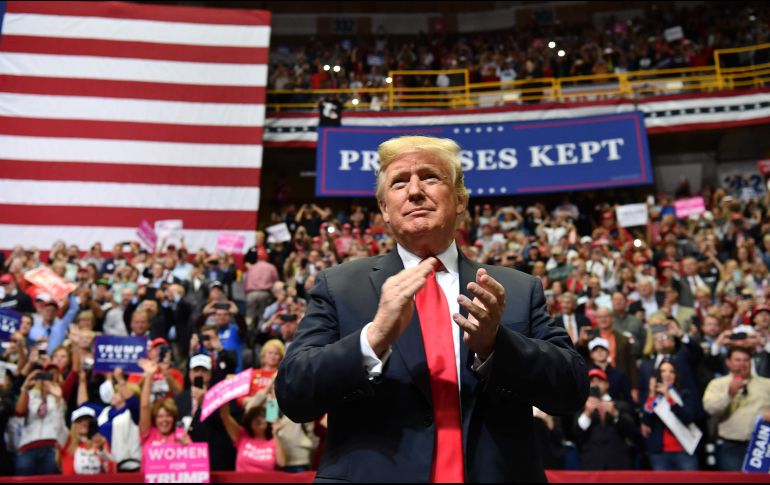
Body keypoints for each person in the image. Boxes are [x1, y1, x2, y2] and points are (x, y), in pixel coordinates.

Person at [276, 135, 588, 482]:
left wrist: (496, 346)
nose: (414, 191)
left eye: (429, 177)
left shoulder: (516, 288)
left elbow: (571, 391)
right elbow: (293, 395)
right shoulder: (339, 286)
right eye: (399, 182)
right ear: (384, 208)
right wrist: (373, 338)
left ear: (459, 200)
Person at [703, 346, 770, 471]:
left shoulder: (766, 384)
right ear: (728, 362)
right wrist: (729, 394)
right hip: (730, 446)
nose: (742, 364)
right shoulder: (718, 384)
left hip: (762, 445)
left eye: (746, 360)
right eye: (737, 360)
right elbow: (709, 408)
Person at [641, 360, 701, 470]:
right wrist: (651, 394)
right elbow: (646, 421)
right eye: (663, 371)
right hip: (660, 454)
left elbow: (688, 418)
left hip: (685, 450)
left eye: (671, 371)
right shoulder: (652, 396)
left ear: (676, 375)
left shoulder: (684, 394)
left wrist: (669, 397)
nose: (667, 374)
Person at [59, 405, 115, 475]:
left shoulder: (101, 441)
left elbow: (111, 470)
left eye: (88, 420)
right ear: (74, 425)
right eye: (79, 421)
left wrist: (101, 449)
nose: (84, 423)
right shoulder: (67, 441)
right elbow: (58, 425)